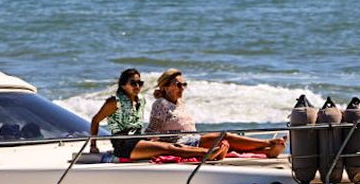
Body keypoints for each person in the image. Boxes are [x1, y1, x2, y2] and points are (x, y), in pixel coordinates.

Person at [88, 68, 225, 162]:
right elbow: (95, 120)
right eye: (133, 83)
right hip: (124, 145)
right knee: (170, 148)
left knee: (172, 146)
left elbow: (155, 105)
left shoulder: (140, 100)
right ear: (123, 85)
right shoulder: (114, 102)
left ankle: (208, 152)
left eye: (140, 83)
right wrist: (93, 145)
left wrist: (151, 139)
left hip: (139, 140)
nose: (137, 86)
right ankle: (207, 153)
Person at [146, 69, 285, 158]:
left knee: (225, 144)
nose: (182, 88)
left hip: (194, 139)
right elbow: (153, 130)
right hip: (183, 144)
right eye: (178, 85)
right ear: (165, 87)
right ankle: (268, 142)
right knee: (223, 136)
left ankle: (267, 151)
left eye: (184, 85)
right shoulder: (161, 104)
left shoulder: (180, 103)